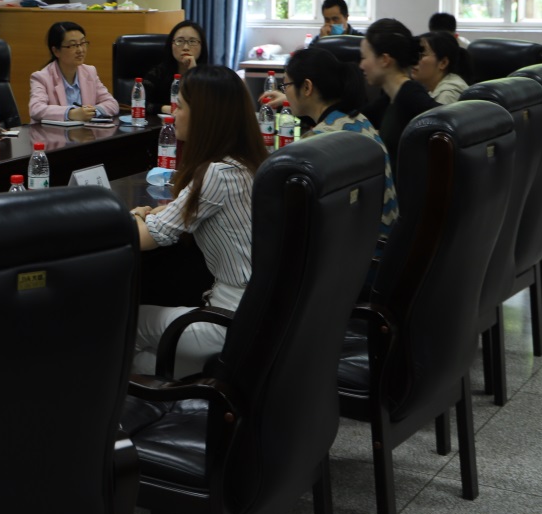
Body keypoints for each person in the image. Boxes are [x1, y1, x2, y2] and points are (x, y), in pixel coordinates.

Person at [129, 65, 267, 377]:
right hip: (256, 314)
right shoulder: (249, 163)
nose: (173, 114)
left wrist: (136, 215)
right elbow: (188, 211)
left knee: (128, 323)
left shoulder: (215, 174)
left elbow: (147, 238)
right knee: (149, 359)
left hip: (226, 320)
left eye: (180, 106)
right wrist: (161, 213)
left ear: (205, 115)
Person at [281, 48, 398, 237]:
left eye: (285, 85)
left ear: (307, 87)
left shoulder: (318, 141)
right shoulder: (357, 119)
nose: (284, 93)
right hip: (381, 241)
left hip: (361, 249)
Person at [359, 19, 438, 174]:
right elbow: (359, 118)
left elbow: (448, 120)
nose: (361, 65)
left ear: (385, 60)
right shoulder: (390, 97)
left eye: (364, 58)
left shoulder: (410, 95)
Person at [29, 21, 118, 122]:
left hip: (86, 131)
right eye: (72, 45)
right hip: (53, 132)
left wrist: (92, 112)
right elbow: (36, 109)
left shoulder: (89, 72)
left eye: (83, 43)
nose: (80, 50)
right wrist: (70, 113)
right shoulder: (42, 77)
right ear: (56, 51)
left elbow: (112, 103)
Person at [145, 19, 208, 113]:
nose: (186, 47)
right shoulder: (158, 73)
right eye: (180, 41)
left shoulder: (209, 77)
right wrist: (167, 109)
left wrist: (194, 74)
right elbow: (137, 103)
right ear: (171, 45)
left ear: (202, 46)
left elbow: (208, 107)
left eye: (192, 41)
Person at [411, 30, 470, 105]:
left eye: (422, 55)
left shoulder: (447, 95)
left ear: (443, 63)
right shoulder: (432, 89)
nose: (414, 60)